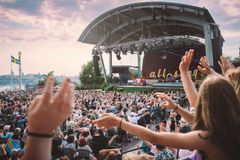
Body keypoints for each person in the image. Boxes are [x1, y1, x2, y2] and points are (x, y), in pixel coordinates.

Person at [93, 76, 240, 160]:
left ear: (205, 104)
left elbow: (155, 137)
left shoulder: (209, 137)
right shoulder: (233, 128)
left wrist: (118, 122)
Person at [22, 77, 73, 160]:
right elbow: (60, 136)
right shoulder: (57, 130)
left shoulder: (26, 131)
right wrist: (41, 133)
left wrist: (38, 132)